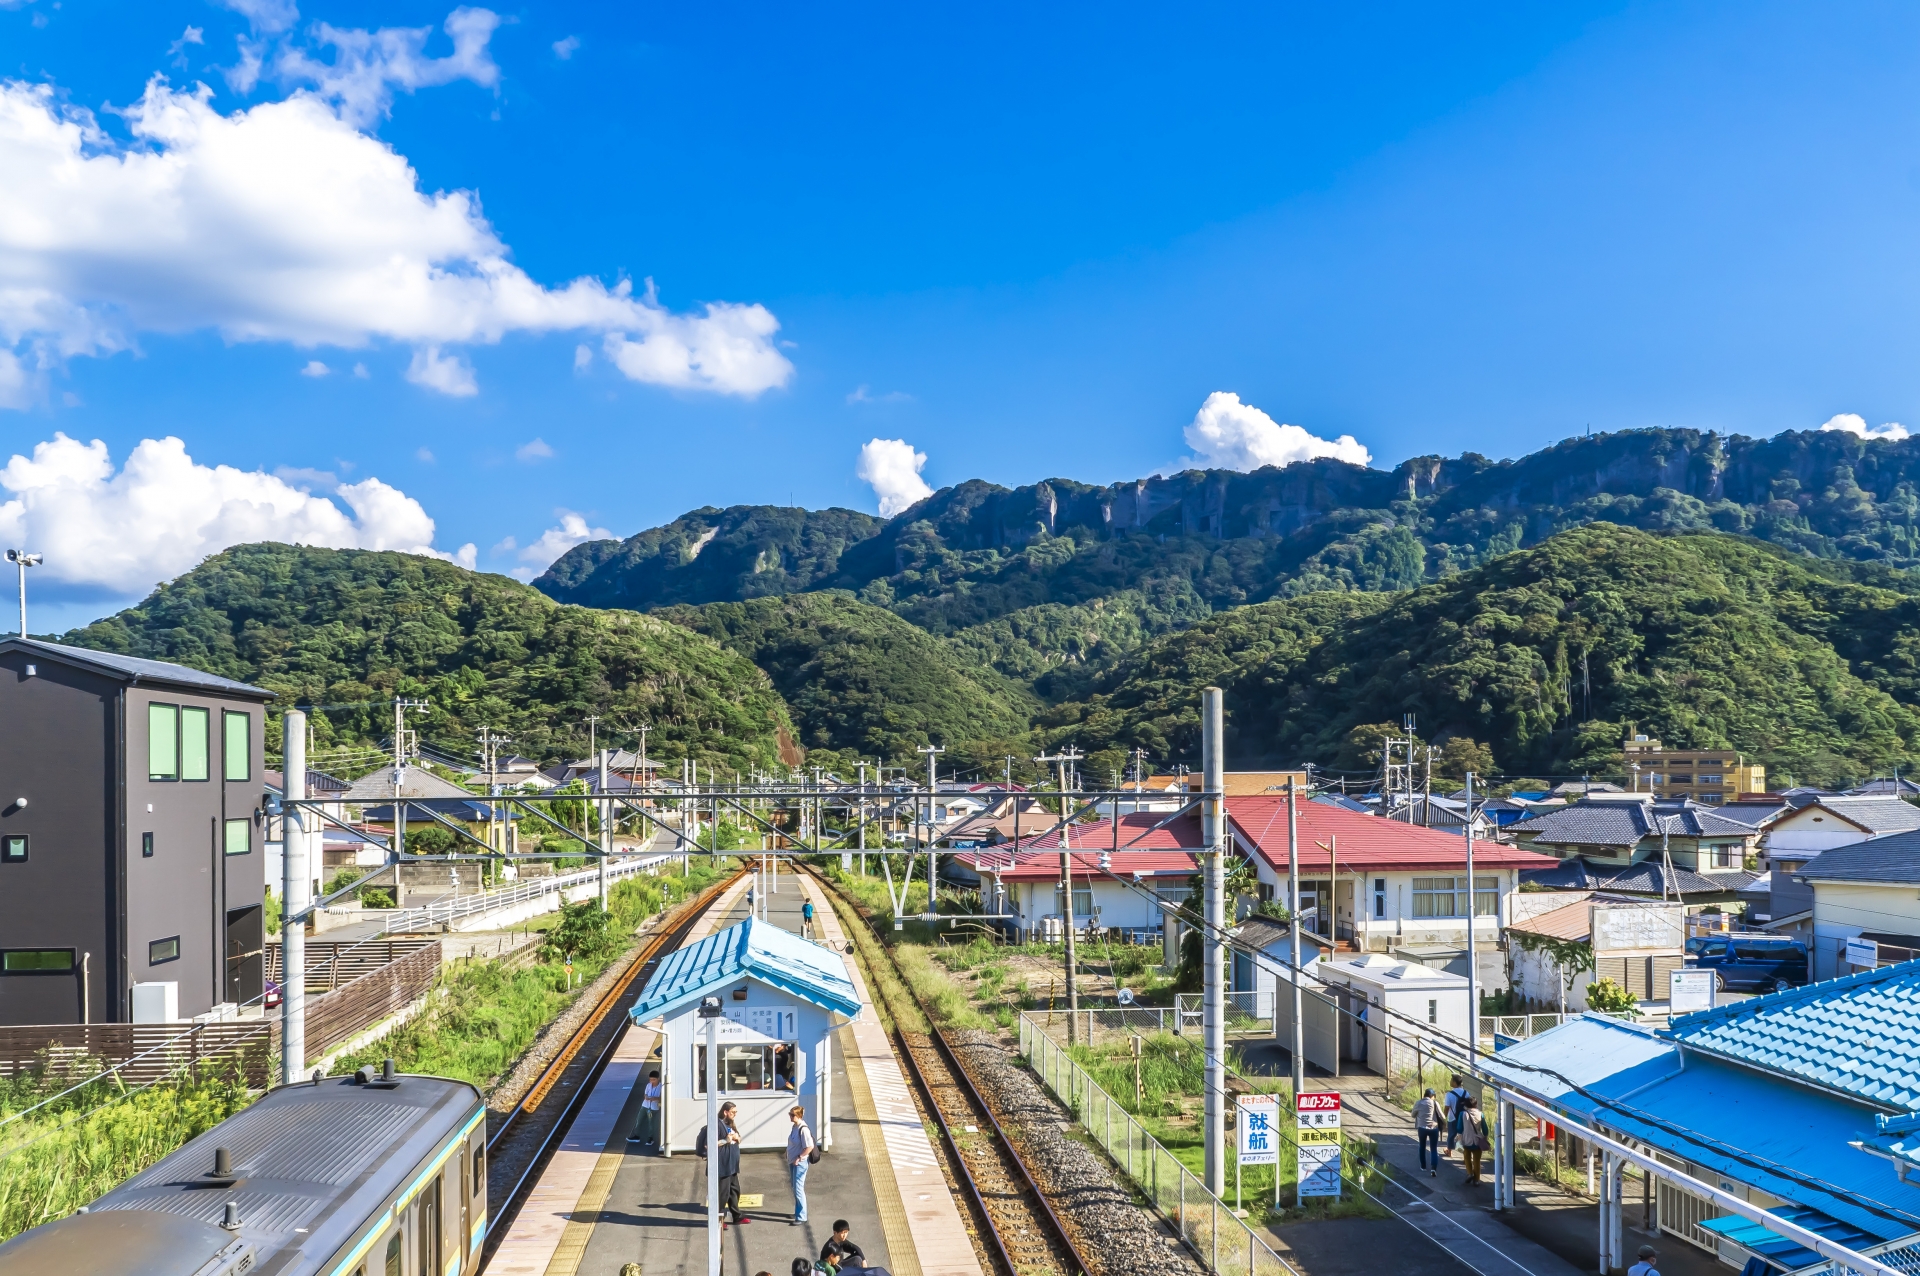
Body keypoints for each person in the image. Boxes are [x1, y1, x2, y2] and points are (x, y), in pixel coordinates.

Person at [698, 1101, 750, 1226]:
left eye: (736, 1112)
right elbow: (708, 1145)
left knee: (734, 1191)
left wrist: (737, 1138)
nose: (735, 1114)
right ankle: (718, 1219)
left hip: (732, 1164)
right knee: (722, 1193)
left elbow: (738, 1139)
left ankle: (737, 1215)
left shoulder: (730, 1123)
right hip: (722, 1164)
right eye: (733, 1112)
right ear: (725, 1112)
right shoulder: (716, 1124)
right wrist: (725, 1140)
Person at [787, 1103, 816, 1225]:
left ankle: (802, 1216)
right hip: (793, 1161)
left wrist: (799, 1157)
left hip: (800, 1163)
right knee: (794, 1187)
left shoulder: (803, 1129)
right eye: (790, 1114)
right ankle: (798, 1211)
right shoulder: (795, 1127)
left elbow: (809, 1147)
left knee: (798, 1188)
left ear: (799, 1116)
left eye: (792, 1115)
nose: (790, 1117)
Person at [628, 1069, 663, 1147]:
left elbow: (661, 1098)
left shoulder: (661, 1087)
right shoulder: (648, 1085)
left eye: (654, 1079)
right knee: (639, 1120)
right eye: (650, 1079)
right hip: (645, 1106)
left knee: (651, 1123)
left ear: (658, 1079)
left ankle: (650, 1138)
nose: (652, 1081)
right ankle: (636, 1136)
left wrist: (653, 1098)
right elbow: (645, 1094)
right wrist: (647, 1097)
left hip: (653, 1108)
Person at [1412, 1087, 1442, 1176]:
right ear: (1432, 1096)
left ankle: (1423, 1166)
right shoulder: (1435, 1103)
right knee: (1433, 1149)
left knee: (1422, 1146)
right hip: (1433, 1128)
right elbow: (1442, 1116)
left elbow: (1413, 1115)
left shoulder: (1418, 1103)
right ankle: (1433, 1168)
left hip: (1422, 1128)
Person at [1458, 1095, 1488, 1185]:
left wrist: (1460, 1137)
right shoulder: (1481, 1114)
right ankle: (1477, 1180)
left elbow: (1459, 1128)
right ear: (1476, 1104)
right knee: (1477, 1161)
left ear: (1466, 1105)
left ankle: (1470, 1173)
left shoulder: (1462, 1114)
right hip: (1477, 1141)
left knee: (1467, 1157)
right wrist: (1485, 1137)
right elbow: (1485, 1129)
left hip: (1466, 1140)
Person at [1443, 1075, 1471, 1157]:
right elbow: (1469, 1105)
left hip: (1453, 1118)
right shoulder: (1466, 1093)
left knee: (1451, 1135)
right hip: (1464, 1118)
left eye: (1451, 1080)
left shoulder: (1449, 1094)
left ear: (1455, 1082)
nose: (1450, 1081)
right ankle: (1466, 1155)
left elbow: (1447, 1108)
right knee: (1464, 1135)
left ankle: (1449, 1151)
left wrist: (1444, 1117)